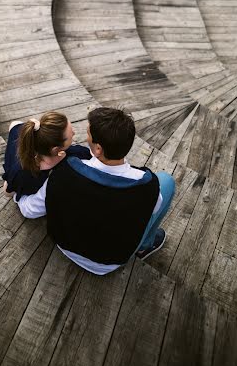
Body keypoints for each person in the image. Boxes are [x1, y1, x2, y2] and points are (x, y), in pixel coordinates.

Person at [13, 107, 175, 275]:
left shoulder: (62, 171)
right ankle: (145, 246)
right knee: (167, 181)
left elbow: (30, 209)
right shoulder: (148, 184)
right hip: (109, 262)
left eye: (88, 134)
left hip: (64, 244)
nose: (82, 135)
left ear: (98, 149)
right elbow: (153, 209)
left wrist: (18, 195)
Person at [2, 111, 91, 200]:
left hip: (21, 167)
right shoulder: (77, 154)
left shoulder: (22, 172)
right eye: (71, 134)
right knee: (16, 126)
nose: (74, 133)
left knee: (15, 126)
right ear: (56, 149)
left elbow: (7, 192)